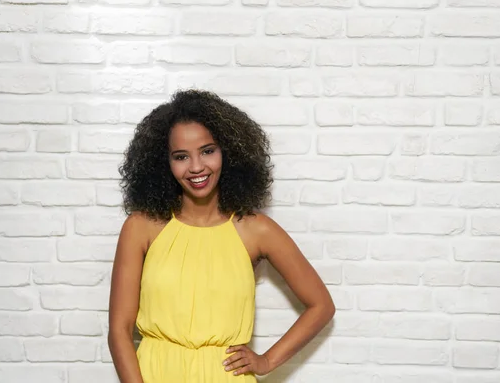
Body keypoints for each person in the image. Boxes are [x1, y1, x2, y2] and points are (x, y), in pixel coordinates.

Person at [108, 89, 335, 382]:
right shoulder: (141, 227)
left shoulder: (256, 230)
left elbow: (321, 306)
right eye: (181, 156)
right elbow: (119, 330)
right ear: (163, 163)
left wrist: (266, 361)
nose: (196, 167)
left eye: (207, 150)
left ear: (228, 151)